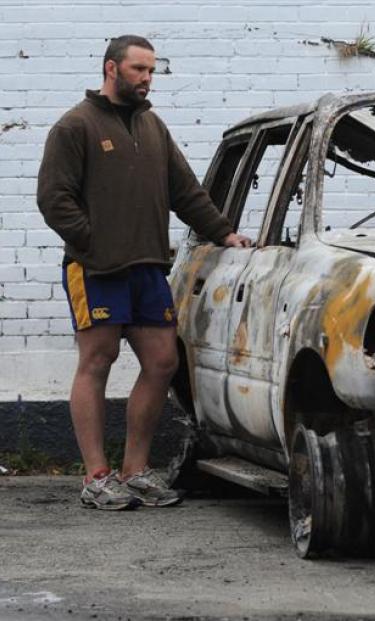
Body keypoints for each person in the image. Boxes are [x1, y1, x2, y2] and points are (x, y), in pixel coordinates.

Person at [36, 35, 252, 510]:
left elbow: (185, 191)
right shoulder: (76, 126)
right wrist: (94, 240)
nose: (147, 79)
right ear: (111, 68)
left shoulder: (153, 127)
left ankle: (135, 471)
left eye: (152, 71)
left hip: (149, 266)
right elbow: (54, 199)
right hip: (94, 267)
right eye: (138, 70)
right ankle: (96, 476)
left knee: (161, 361)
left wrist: (224, 233)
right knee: (98, 360)